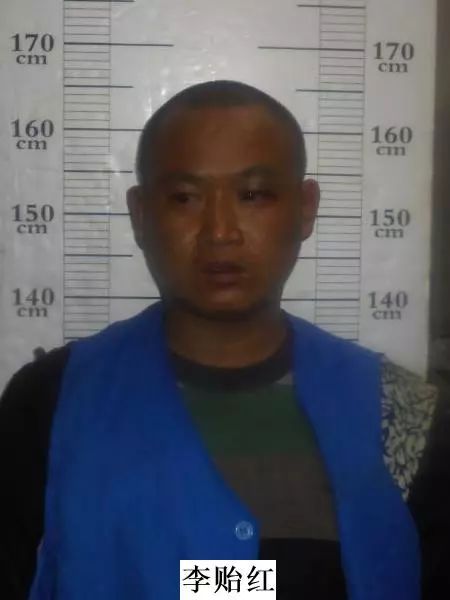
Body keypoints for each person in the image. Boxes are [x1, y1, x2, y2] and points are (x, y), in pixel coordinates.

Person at [0, 80, 449, 600]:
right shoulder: (49, 403)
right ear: (141, 215)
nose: (220, 232)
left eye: (253, 195)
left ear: (305, 208)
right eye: (185, 198)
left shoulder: (404, 414)